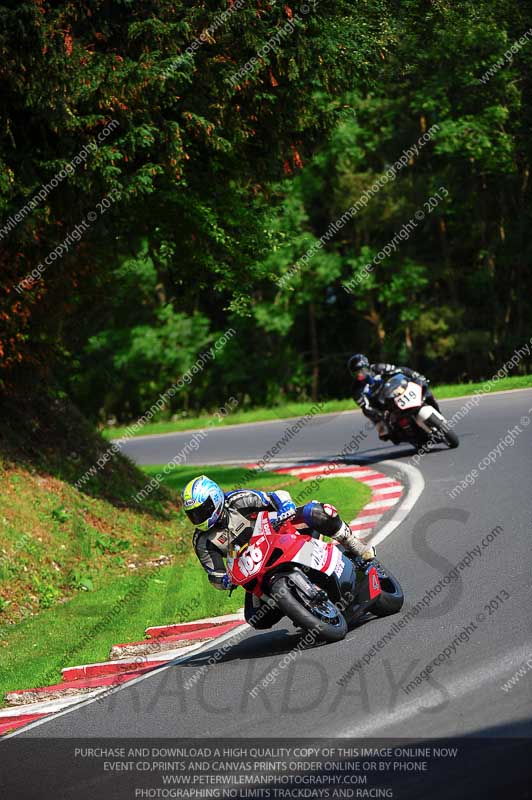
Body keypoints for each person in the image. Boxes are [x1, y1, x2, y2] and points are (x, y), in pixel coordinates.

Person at [182, 475, 377, 630]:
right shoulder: (202, 540)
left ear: (214, 499)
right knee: (256, 619)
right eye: (193, 514)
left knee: (318, 512)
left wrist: (286, 507)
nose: (199, 517)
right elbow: (214, 573)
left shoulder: (237, 500)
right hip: (253, 566)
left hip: (279, 532)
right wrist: (223, 581)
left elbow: (274, 496)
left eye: (202, 509)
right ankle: (299, 606)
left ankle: (354, 545)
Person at [347, 353, 438, 441]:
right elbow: (365, 407)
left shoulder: (378, 368)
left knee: (425, 391)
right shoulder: (356, 390)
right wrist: (379, 414)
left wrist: (416, 376)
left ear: (367, 366)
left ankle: (436, 412)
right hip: (381, 407)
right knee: (384, 432)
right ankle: (406, 434)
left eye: (361, 371)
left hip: (394, 392)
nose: (360, 375)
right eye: (356, 373)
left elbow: (400, 370)